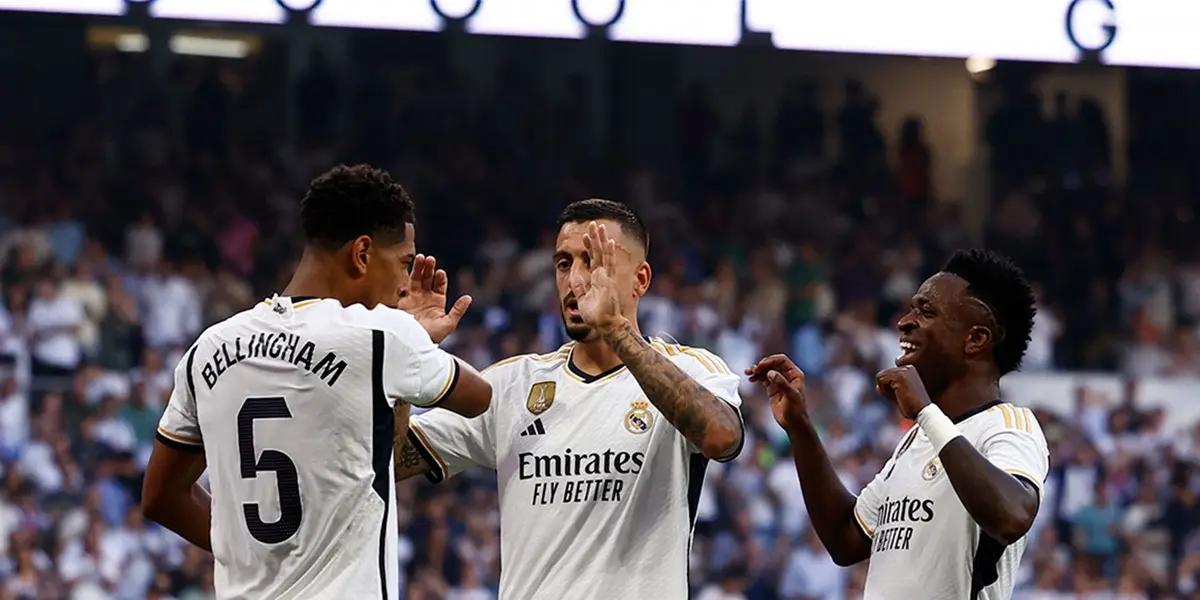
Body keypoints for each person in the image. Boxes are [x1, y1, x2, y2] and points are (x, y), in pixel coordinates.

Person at [140, 164, 492, 599]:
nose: (405, 282)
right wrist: (414, 333)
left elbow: (159, 496)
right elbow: (480, 397)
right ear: (362, 253)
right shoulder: (381, 335)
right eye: (403, 263)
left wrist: (243, 551)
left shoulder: (209, 347)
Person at [396, 199, 745, 599]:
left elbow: (721, 438)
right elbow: (386, 462)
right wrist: (406, 355)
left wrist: (616, 328)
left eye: (594, 262)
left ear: (641, 279)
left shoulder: (692, 370)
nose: (576, 280)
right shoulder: (511, 385)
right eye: (564, 264)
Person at [748, 249, 1049, 600]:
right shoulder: (916, 441)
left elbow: (1013, 515)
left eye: (926, 311)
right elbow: (845, 540)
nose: (904, 321)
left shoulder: (1008, 424)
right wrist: (799, 426)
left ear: (976, 339)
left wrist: (926, 412)